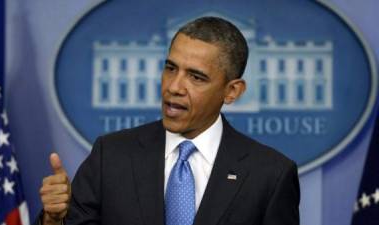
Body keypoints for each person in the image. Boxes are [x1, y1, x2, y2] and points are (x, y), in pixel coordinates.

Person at [37, 16, 300, 225]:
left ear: (232, 91)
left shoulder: (270, 175)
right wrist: (53, 221)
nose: (174, 87)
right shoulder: (112, 155)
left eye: (196, 77)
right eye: (170, 68)